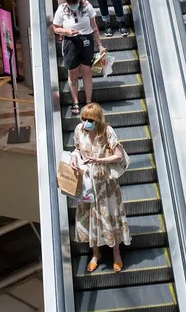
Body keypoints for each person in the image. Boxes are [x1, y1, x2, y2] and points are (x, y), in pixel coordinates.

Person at [71, 102, 131, 273]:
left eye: (90, 119)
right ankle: (95, 253)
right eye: (83, 119)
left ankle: (116, 253)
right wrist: (74, 158)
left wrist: (98, 160)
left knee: (111, 215)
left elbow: (119, 156)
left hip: (105, 183)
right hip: (88, 183)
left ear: (97, 120)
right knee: (91, 218)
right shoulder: (79, 130)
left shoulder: (107, 131)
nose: (86, 122)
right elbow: (76, 149)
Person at [53, 0, 104, 115]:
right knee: (73, 73)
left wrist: (100, 45)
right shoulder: (62, 10)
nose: (73, 6)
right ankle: (75, 101)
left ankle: (88, 101)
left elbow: (94, 26)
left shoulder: (87, 6)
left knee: (86, 72)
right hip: (71, 42)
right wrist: (66, 31)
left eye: (75, 3)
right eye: (71, 4)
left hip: (86, 41)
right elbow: (56, 28)